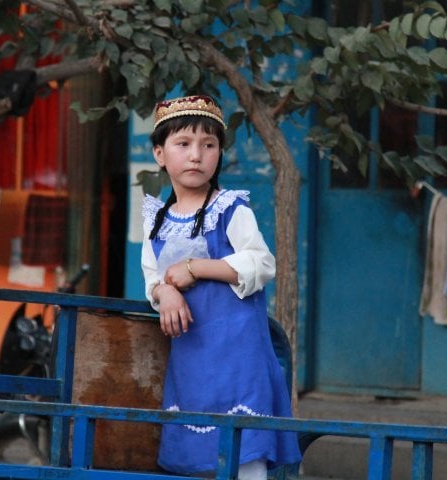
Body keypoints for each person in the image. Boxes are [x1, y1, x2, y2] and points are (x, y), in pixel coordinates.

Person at [140, 95, 302, 478]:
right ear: (160, 154)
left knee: (245, 463)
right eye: (184, 144)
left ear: (218, 154)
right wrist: (165, 292)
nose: (196, 155)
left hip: (239, 361)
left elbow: (261, 263)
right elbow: (152, 277)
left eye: (208, 145)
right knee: (194, 462)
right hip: (191, 363)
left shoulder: (231, 209)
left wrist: (196, 268)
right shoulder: (157, 220)